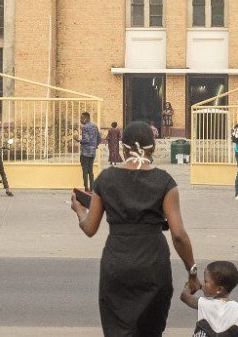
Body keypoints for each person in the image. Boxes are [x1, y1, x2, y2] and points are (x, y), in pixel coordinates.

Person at [70, 121, 198, 336]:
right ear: (154, 147)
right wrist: (192, 271)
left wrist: (79, 209)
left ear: (122, 147)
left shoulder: (106, 179)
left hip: (117, 264)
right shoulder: (165, 182)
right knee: (150, 330)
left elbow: (90, 228)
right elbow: (178, 235)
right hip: (154, 265)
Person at [180, 260, 238, 337]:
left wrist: (191, 285)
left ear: (219, 289)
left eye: (205, 281)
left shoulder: (203, 304)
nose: (202, 283)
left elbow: (184, 296)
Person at [74, 111, 101, 192]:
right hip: (92, 153)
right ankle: (92, 189)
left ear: (86, 118)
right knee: (91, 171)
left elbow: (86, 139)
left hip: (85, 153)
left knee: (85, 171)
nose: (80, 120)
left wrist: (77, 139)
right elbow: (99, 139)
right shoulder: (95, 126)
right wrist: (94, 146)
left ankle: (86, 189)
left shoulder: (85, 127)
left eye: (81, 118)